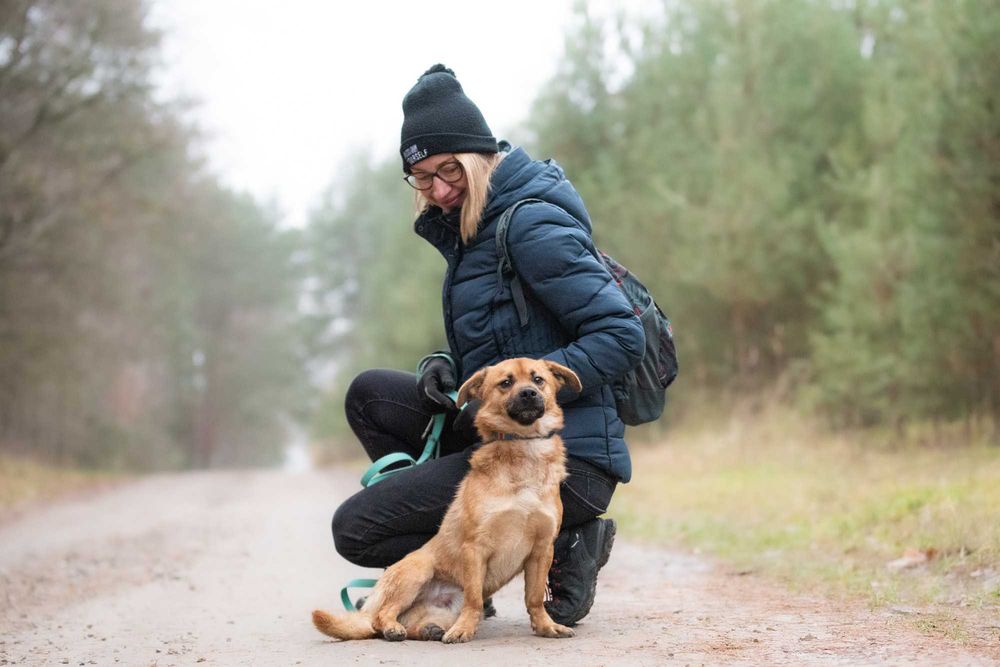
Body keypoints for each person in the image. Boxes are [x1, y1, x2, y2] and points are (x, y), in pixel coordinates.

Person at [331, 64, 645, 627]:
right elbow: (504, 339)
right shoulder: (470, 228)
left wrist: (531, 391)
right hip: (501, 444)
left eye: (449, 170)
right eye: (422, 178)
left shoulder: (530, 225)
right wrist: (448, 367)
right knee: (370, 395)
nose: (439, 189)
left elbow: (622, 334)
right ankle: (472, 559)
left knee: (357, 528)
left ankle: (566, 539)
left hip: (566, 457)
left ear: (480, 156)